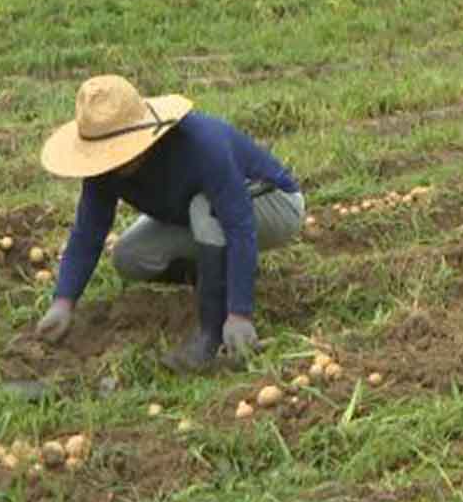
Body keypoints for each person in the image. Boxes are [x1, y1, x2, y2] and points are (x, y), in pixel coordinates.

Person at [33, 75, 307, 373]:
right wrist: (64, 301)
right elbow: (88, 232)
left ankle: (211, 336)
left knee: (205, 209)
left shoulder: (201, 144)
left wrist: (239, 311)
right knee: (130, 255)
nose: (115, 162)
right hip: (197, 216)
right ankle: (218, 275)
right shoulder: (105, 171)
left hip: (274, 204)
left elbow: (238, 223)